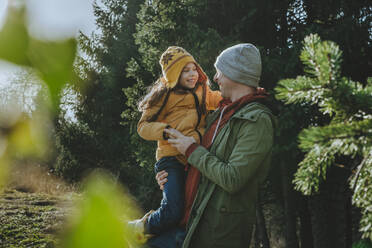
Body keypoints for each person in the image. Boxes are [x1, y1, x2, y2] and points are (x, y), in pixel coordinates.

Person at [157, 43, 276, 248]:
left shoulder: (257, 120)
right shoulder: (220, 114)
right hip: (187, 227)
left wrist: (191, 150)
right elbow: (203, 170)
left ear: (234, 75)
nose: (216, 78)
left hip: (213, 237)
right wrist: (171, 177)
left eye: (220, 72)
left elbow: (232, 178)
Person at [130, 46, 222, 246]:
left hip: (193, 155)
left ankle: (153, 239)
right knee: (173, 209)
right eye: (185, 70)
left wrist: (247, 94)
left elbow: (220, 99)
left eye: (194, 68)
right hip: (170, 159)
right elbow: (142, 127)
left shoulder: (203, 91)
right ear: (173, 74)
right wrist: (165, 131)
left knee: (188, 212)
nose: (192, 74)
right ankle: (137, 229)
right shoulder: (163, 95)